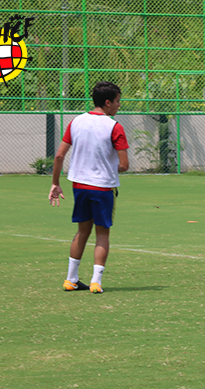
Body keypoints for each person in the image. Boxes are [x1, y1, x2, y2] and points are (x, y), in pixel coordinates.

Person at [49, 81, 129, 294]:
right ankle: (96, 282)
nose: (119, 105)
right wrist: (110, 168)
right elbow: (124, 165)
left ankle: (71, 279)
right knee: (102, 233)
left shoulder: (75, 122)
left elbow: (59, 155)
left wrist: (55, 183)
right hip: (103, 187)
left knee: (82, 231)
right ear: (107, 102)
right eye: (118, 101)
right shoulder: (114, 126)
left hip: (79, 186)